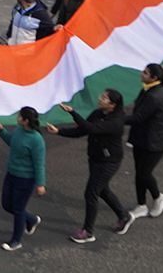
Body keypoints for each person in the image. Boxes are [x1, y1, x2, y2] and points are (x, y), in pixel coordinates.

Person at [46, 92, 132, 243]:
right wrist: (59, 132)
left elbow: (91, 128)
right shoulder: (98, 113)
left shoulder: (116, 122)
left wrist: (73, 113)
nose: (100, 98)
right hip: (96, 158)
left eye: (105, 98)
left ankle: (88, 232)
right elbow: (82, 130)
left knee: (91, 193)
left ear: (113, 105)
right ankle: (124, 216)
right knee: (102, 190)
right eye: (102, 96)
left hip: (109, 162)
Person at [0, 107, 47, 251]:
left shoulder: (37, 140)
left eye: (19, 116)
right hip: (11, 174)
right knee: (6, 204)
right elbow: (13, 142)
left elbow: (39, 163)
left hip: (25, 179)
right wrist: (1, 131)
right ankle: (31, 220)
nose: (17, 117)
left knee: (18, 209)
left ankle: (16, 241)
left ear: (26, 120)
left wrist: (40, 184)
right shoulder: (19, 130)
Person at [126, 63, 163, 219]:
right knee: (139, 173)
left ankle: (158, 197)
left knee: (144, 173)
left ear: (154, 77)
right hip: (143, 138)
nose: (142, 74)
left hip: (154, 142)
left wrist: (116, 119)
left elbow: (138, 117)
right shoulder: (149, 89)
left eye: (145, 73)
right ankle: (141, 205)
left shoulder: (155, 96)